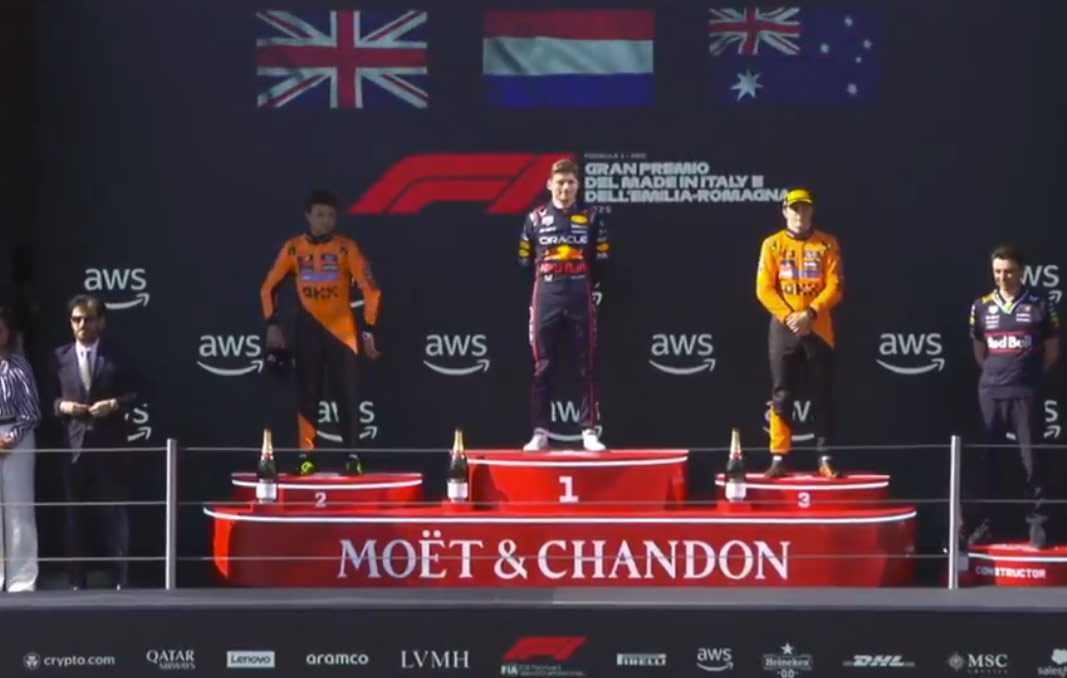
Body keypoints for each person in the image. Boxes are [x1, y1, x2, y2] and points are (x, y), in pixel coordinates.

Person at [261, 188, 382, 474]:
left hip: (342, 333)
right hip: (307, 331)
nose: (325, 220)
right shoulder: (293, 248)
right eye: (320, 215)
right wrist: (272, 325)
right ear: (308, 216)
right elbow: (268, 288)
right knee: (308, 394)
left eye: (330, 216)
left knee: (346, 395)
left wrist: (368, 330)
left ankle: (352, 457)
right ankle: (306, 457)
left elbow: (371, 290)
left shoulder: (346, 248)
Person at [966, 244, 1060, 549]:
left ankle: (1039, 524)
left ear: (1021, 271)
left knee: (1033, 461)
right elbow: (979, 350)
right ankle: (987, 524)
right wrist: (995, 375)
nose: (1002, 277)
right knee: (989, 460)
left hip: (1026, 392)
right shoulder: (981, 306)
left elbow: (1052, 351)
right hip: (991, 393)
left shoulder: (1040, 304)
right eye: (997, 272)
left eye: (1008, 271)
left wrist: (1028, 377)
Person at [519, 158, 609, 452]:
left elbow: (602, 259)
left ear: (577, 185)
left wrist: (584, 279)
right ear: (549, 185)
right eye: (560, 183)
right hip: (546, 293)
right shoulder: (535, 217)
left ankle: (589, 430)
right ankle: (540, 431)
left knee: (586, 362)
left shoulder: (592, 216)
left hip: (580, 291)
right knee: (542, 365)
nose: (565, 188)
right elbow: (524, 259)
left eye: (570, 182)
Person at [50, 295, 138, 589]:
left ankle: (121, 578)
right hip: (74, 447)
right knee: (75, 516)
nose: (81, 325)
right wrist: (63, 406)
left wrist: (113, 404)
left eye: (87, 319)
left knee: (115, 513)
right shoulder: (58, 357)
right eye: (76, 319)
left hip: (110, 446)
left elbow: (139, 393)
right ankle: (76, 580)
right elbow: (48, 398)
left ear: (101, 322)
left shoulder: (119, 356)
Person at [756, 188, 844, 478]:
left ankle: (825, 456)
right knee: (782, 393)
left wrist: (810, 313)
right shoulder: (772, 244)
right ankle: (778, 457)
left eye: (804, 208)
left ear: (812, 211)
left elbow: (835, 286)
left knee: (822, 393)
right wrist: (790, 317)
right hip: (784, 328)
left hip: (818, 327)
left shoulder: (827, 243)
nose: (799, 214)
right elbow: (764, 289)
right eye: (794, 209)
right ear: (784, 211)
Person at [0, 306, 41, 592]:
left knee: (19, 508)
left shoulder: (19, 365)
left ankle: (22, 579)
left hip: (18, 437)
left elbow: (31, 411)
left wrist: (11, 438)